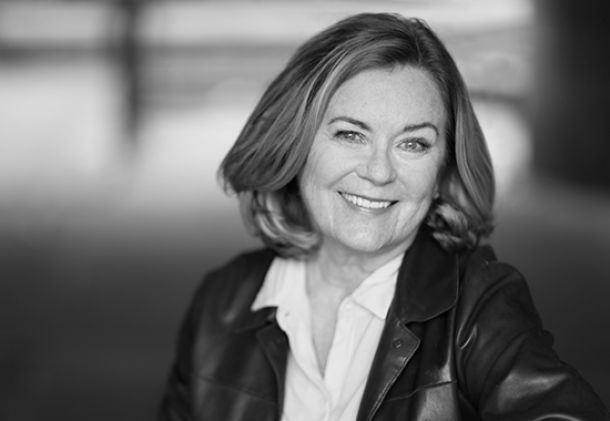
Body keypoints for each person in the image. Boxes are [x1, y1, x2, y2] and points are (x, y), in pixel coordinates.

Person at [158, 13, 608, 421]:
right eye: (351, 134)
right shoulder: (222, 302)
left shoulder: (479, 305)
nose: (378, 172)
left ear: (442, 171)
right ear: (295, 146)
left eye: (413, 144)